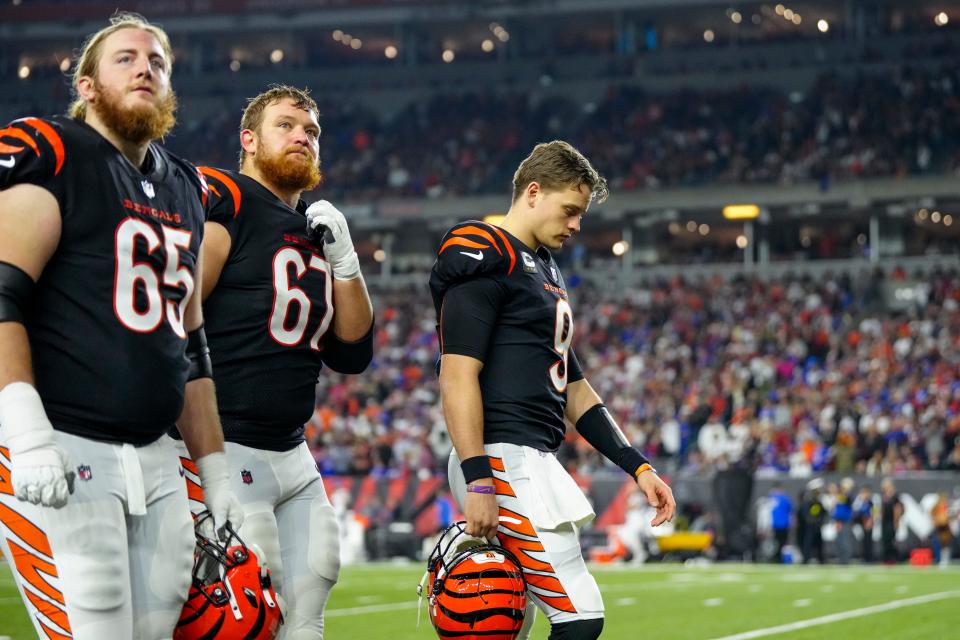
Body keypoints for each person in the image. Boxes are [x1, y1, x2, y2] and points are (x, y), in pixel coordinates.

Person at [0, 13, 242, 640]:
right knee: (94, 625)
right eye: (126, 58)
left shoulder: (187, 186)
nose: (145, 68)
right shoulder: (54, 153)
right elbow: (2, 294)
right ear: (86, 85)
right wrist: (25, 434)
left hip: (157, 452)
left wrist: (214, 472)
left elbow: (190, 346)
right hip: (62, 440)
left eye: (157, 61)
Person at [430, 140, 676, 640]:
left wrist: (639, 466)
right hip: (500, 458)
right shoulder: (484, 250)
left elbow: (575, 390)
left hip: (533, 458)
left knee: (507, 625)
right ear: (534, 192)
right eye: (570, 210)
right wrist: (479, 479)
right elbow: (456, 375)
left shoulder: (542, 265)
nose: (576, 224)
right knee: (580, 615)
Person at [178, 84, 373, 639]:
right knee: (244, 615)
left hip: (293, 450)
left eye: (311, 131)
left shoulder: (317, 227)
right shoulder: (229, 202)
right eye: (286, 125)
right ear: (249, 139)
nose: (302, 137)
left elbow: (353, 351)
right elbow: (181, 312)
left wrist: (346, 260)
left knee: (311, 601)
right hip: (226, 444)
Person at [768, 482, 792, 563]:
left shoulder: (771, 498)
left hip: (776, 524)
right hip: (782, 524)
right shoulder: (784, 498)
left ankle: (778, 557)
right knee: (781, 542)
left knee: (778, 542)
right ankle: (778, 557)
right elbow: (790, 511)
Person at [880, 478, 902, 564]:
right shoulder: (885, 496)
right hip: (885, 522)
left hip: (891, 521)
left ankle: (892, 558)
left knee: (891, 540)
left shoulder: (895, 496)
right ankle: (886, 558)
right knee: (885, 540)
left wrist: (896, 521)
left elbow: (898, 509)